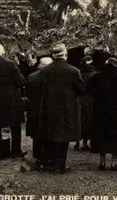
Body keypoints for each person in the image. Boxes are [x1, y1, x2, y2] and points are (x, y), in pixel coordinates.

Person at [36, 43, 86, 173]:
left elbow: (39, 88)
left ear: (53, 55)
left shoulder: (45, 71)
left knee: (51, 134)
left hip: (49, 106)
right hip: (67, 108)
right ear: (65, 54)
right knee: (63, 138)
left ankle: (49, 163)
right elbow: (82, 89)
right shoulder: (74, 71)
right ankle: (60, 165)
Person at [87, 58, 117, 171]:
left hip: (100, 111)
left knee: (101, 135)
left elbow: (88, 90)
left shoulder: (96, 76)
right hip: (116, 111)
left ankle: (102, 161)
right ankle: (113, 162)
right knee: (116, 135)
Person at [26, 57, 54, 168]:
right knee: (48, 133)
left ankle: (38, 157)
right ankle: (48, 158)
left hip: (34, 108)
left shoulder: (31, 77)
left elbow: (27, 93)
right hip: (48, 108)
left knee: (36, 134)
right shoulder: (52, 78)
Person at [74, 55, 95, 151]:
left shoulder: (78, 74)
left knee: (80, 121)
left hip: (80, 99)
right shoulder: (94, 74)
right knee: (89, 120)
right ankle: (87, 142)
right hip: (91, 100)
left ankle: (78, 142)